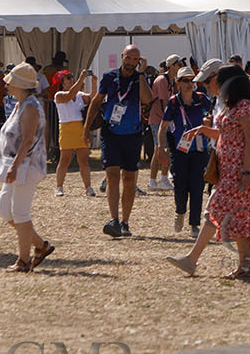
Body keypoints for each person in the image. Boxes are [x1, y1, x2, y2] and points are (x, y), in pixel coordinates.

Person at [166, 73, 250, 280]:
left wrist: (246, 171)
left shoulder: (246, 107)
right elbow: (228, 133)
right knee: (242, 216)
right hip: (228, 167)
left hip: (241, 168)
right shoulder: (229, 105)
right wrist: (204, 130)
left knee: (218, 208)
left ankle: (193, 259)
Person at [84, 45, 153, 239]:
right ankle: (113, 219)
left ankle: (125, 222)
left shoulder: (140, 79)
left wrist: (141, 74)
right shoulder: (109, 77)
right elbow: (96, 102)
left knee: (129, 180)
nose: (131, 62)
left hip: (132, 134)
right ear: (122, 57)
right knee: (112, 175)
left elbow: (147, 99)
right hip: (111, 133)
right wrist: (86, 129)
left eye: (135, 59)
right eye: (128, 58)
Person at [0, 63, 53, 273]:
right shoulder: (22, 104)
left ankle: (23, 261)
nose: (7, 85)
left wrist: (15, 166)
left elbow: (28, 140)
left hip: (25, 167)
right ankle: (40, 245)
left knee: (19, 213)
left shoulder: (30, 106)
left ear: (20, 85)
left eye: (10, 82)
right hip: (16, 165)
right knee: (5, 210)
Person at [164, 67, 213, 238]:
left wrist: (209, 122)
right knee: (180, 184)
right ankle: (180, 211)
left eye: (192, 80)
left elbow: (213, 113)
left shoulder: (201, 99)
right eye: (185, 80)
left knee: (197, 186)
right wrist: (159, 148)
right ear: (177, 83)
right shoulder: (173, 102)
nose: (189, 84)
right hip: (179, 150)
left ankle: (194, 224)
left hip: (199, 149)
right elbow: (163, 127)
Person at [53, 69, 96, 197]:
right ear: (62, 82)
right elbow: (68, 96)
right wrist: (81, 79)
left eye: (72, 77)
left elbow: (92, 97)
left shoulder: (79, 94)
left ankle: (88, 187)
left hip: (79, 128)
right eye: (68, 78)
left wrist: (94, 83)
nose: (71, 79)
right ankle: (59, 187)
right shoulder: (59, 95)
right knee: (64, 160)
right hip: (66, 129)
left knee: (83, 160)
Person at [146, 55, 182, 193]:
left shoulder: (172, 81)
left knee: (163, 149)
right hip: (159, 119)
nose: (180, 66)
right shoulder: (162, 80)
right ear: (171, 66)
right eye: (178, 64)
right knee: (161, 148)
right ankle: (157, 179)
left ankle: (158, 179)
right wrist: (169, 119)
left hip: (164, 119)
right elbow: (164, 102)